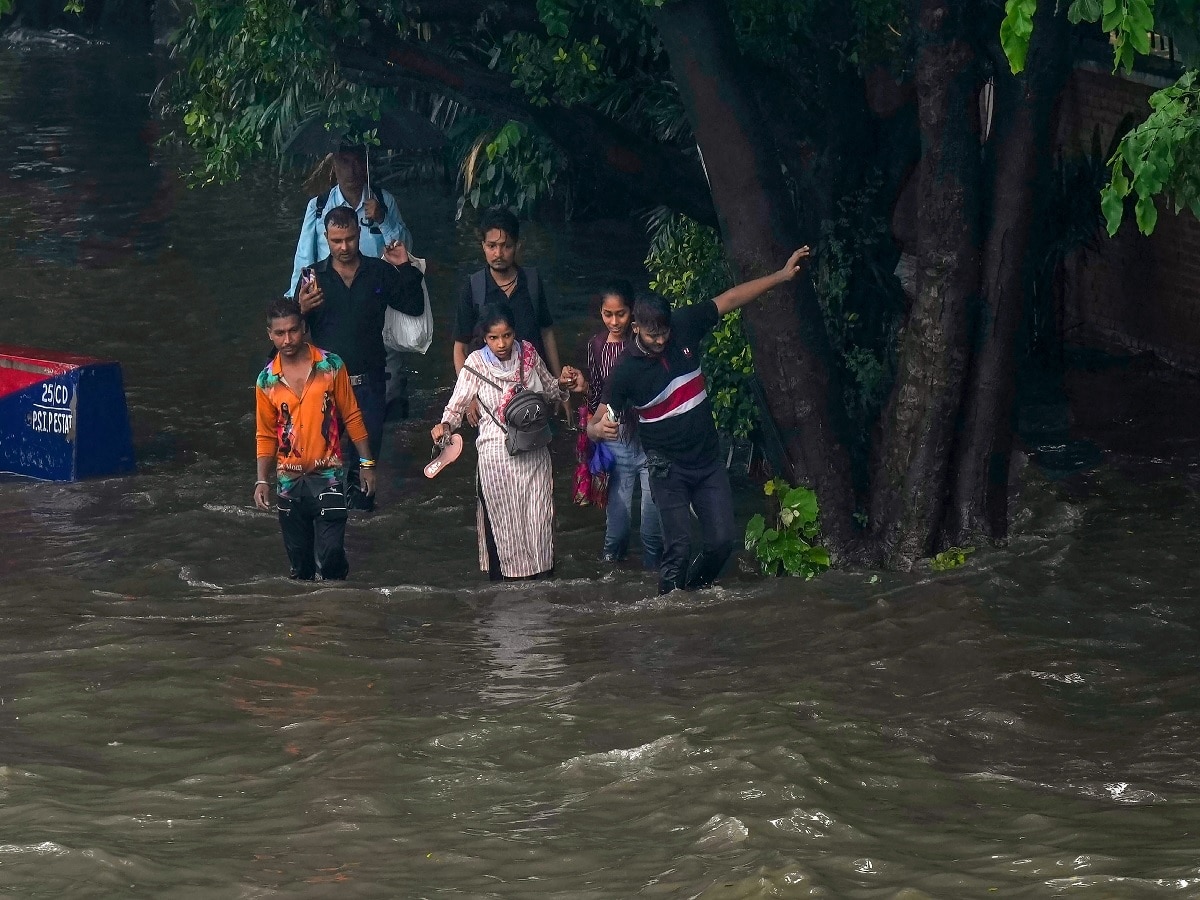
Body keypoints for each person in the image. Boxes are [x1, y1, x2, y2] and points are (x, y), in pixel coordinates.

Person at [588, 247, 811, 594]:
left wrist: (781, 276)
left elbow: (731, 298)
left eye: (664, 332)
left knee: (722, 542)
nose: (661, 340)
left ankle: (691, 598)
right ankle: (666, 613)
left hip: (707, 461)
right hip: (667, 469)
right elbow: (597, 420)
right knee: (677, 549)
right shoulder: (625, 371)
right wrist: (597, 429)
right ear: (636, 329)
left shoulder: (684, 325)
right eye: (652, 335)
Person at [295, 205, 425, 510]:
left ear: (359, 234)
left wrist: (405, 267)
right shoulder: (312, 278)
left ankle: (363, 537)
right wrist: (300, 309)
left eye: (350, 239)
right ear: (325, 237)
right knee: (323, 467)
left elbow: (414, 306)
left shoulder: (377, 272)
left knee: (365, 471)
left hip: (370, 384)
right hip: (325, 387)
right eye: (337, 240)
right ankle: (332, 529)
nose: (344, 247)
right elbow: (291, 337)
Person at [432, 302, 569, 581]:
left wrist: (566, 384)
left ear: (514, 333)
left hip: (535, 452)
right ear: (484, 338)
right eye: (493, 338)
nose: (502, 343)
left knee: (540, 521)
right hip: (496, 458)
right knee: (507, 529)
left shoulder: (529, 353)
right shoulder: (475, 364)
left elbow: (551, 389)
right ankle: (511, 589)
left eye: (506, 335)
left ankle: (543, 586)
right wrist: (444, 427)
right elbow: (455, 409)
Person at [286, 145, 416, 417]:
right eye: (344, 162)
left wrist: (382, 219)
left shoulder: (383, 200)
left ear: (366, 163)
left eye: (358, 162)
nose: (352, 170)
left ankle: (383, 436)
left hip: (378, 297)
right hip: (331, 299)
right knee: (330, 382)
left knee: (385, 383)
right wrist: (295, 307)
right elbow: (303, 260)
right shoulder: (319, 206)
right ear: (333, 164)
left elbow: (406, 250)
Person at [254, 297, 376, 580]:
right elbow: (265, 434)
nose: (287, 339)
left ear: (304, 327)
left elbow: (352, 415)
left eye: (293, 330)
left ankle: (337, 610)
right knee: (300, 567)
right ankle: (307, 621)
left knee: (332, 556)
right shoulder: (266, 381)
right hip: (289, 481)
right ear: (270, 334)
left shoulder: (330, 365)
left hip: (329, 476)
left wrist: (367, 463)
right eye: (280, 333)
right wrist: (262, 479)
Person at [562, 280, 662, 568]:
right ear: (601, 314)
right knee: (616, 526)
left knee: (651, 529)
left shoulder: (644, 342)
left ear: (632, 313)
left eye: (621, 314)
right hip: (615, 438)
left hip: (649, 437)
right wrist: (585, 392)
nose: (615, 321)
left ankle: (656, 579)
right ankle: (609, 582)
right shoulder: (596, 346)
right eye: (608, 314)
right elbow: (598, 396)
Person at [451, 208, 562, 424]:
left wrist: (557, 385)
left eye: (506, 246)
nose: (498, 253)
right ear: (483, 246)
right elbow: (460, 347)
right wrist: (469, 396)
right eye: (492, 246)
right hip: (489, 397)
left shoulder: (531, 283)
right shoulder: (474, 288)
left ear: (518, 246)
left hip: (532, 389)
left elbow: (546, 333)